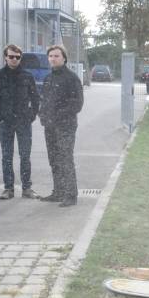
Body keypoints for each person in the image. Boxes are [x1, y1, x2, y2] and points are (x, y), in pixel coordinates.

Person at [0, 43, 40, 200]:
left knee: (25, 155)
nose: (14, 59)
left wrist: (32, 115)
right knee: (7, 156)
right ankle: (8, 188)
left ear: (20, 58)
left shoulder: (27, 76)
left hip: (24, 122)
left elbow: (35, 98)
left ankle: (27, 188)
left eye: (17, 57)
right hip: (6, 122)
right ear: (5, 57)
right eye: (11, 56)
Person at [38, 44, 84, 207]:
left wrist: (58, 115)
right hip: (49, 126)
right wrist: (42, 114)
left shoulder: (71, 78)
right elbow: (43, 100)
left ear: (64, 58)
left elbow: (77, 104)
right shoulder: (48, 78)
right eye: (50, 56)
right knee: (54, 159)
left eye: (56, 56)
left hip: (65, 126)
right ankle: (58, 192)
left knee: (65, 159)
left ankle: (71, 195)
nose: (53, 59)